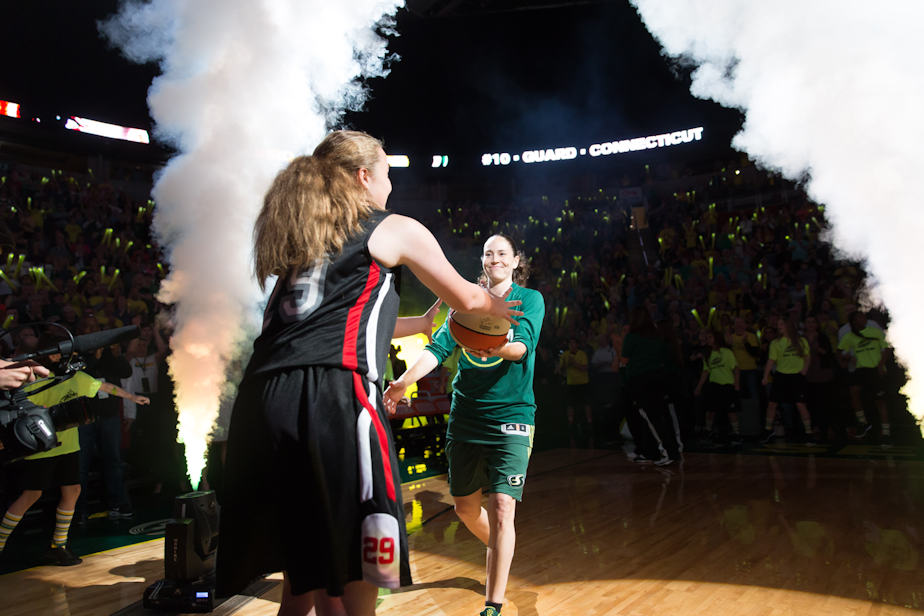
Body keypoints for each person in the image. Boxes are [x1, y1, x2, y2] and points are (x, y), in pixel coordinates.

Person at [215, 131, 522, 616]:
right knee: (361, 562)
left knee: (305, 571)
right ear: (363, 177)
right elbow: (470, 298)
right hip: (330, 395)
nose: (391, 188)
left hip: (260, 401)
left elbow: (328, 320)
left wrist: (420, 325)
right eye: (386, 175)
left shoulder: (307, 237)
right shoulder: (393, 227)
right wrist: (503, 310)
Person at [384, 232, 543, 616]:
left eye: (503, 253)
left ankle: (494, 602)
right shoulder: (466, 300)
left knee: (503, 506)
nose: (495, 259)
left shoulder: (528, 300)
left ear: (516, 260)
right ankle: (500, 548)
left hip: (511, 415)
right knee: (465, 510)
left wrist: (495, 346)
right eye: (489, 253)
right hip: (467, 416)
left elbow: (522, 348)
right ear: (483, 261)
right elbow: (438, 347)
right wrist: (405, 381)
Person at [0, 340, 148, 566]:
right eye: (63, 355)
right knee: (32, 495)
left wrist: (132, 397)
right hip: (41, 448)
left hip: (69, 446)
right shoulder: (36, 381)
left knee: (73, 490)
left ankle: (58, 545)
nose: (68, 358)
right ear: (50, 356)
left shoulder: (75, 379)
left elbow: (104, 386)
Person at [620, 307, 677, 465]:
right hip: (657, 377)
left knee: (650, 417)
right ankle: (651, 452)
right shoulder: (656, 336)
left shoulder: (631, 337)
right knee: (652, 416)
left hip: (639, 380)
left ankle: (668, 451)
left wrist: (622, 344)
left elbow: (624, 360)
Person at [838, 310, 891, 448]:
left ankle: (886, 434)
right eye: (860, 317)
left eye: (864, 316)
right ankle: (863, 422)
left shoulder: (874, 332)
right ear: (854, 322)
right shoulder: (849, 336)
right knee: (853, 391)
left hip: (875, 369)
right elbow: (839, 351)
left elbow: (887, 348)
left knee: (880, 401)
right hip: (861, 369)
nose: (863, 318)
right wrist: (843, 360)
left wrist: (881, 365)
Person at [759, 313, 813, 445]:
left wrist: (805, 368)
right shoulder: (776, 343)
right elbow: (771, 360)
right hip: (781, 376)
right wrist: (765, 375)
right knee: (772, 404)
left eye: (782, 324)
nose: (779, 327)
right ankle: (768, 430)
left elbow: (807, 357)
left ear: (788, 325)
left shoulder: (801, 340)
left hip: (797, 376)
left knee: (801, 405)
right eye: (778, 325)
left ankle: (809, 433)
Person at [694, 331, 742, 444]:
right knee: (710, 410)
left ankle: (737, 433)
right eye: (707, 337)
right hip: (714, 385)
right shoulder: (708, 355)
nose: (708, 339)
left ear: (716, 338)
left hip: (727, 385)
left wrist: (737, 382)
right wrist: (699, 386)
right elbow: (706, 372)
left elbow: (736, 367)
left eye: (710, 337)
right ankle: (708, 430)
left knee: (731, 411)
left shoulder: (727, 352)